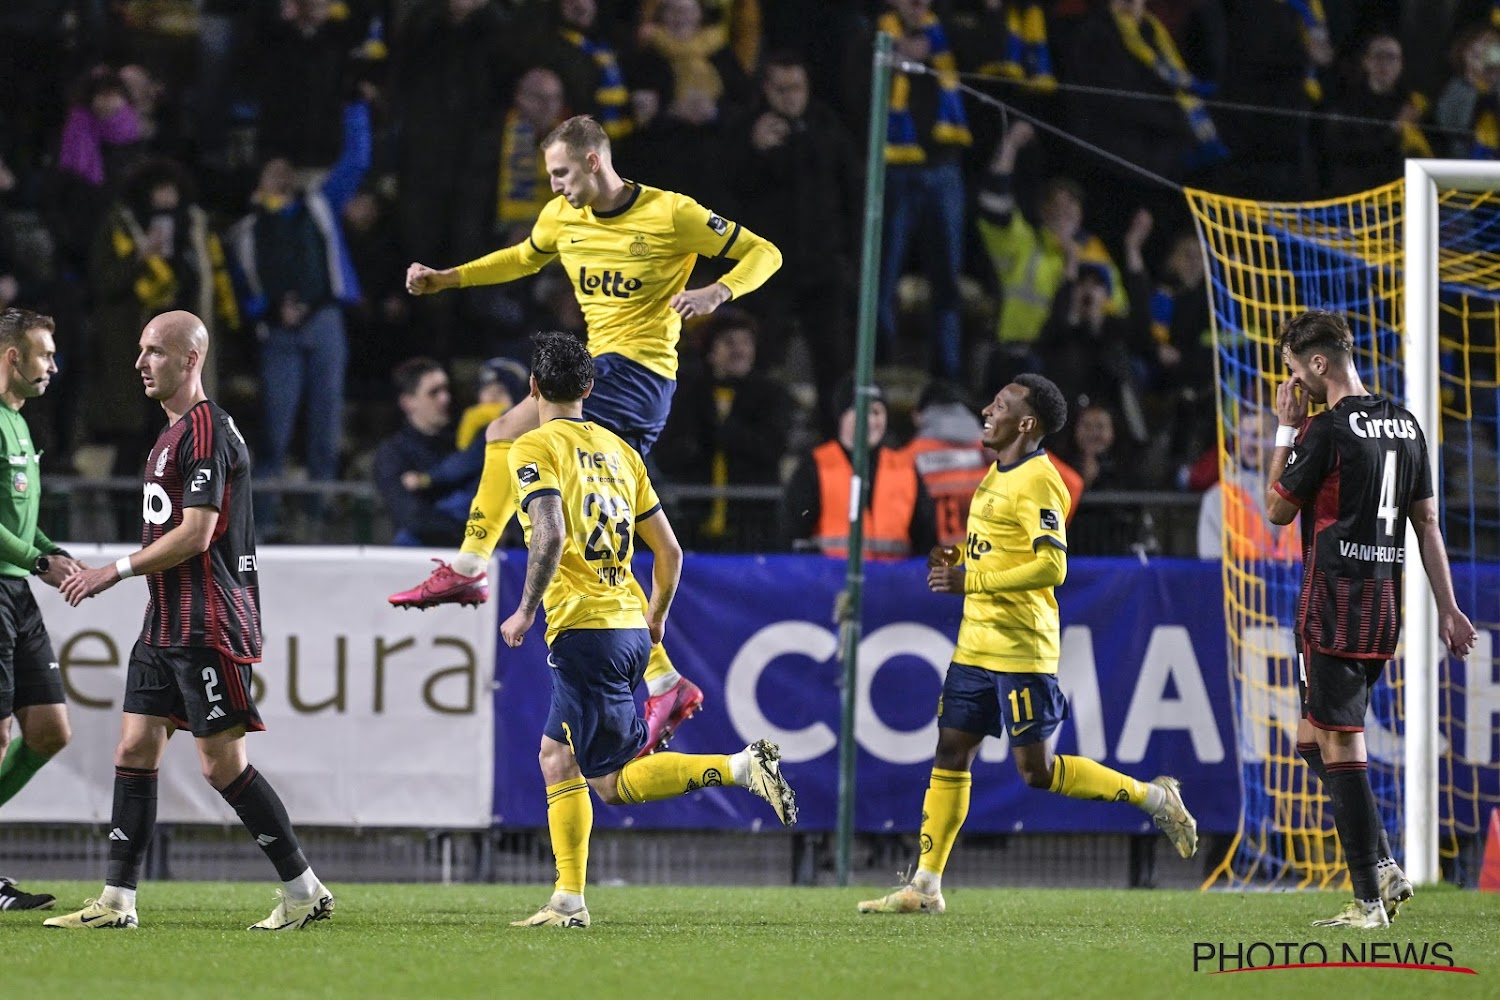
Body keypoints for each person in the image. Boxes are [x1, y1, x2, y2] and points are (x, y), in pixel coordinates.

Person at [390, 114, 783, 756]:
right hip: (599, 371)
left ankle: (653, 673)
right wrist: (446, 278)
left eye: (562, 174)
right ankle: (473, 567)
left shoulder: (671, 214)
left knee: (574, 505)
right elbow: (521, 258)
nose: (556, 187)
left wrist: (718, 290)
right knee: (506, 438)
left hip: (641, 376)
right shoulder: (561, 216)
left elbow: (766, 252)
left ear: (595, 162)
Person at [858, 374, 1198, 915]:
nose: (986, 410)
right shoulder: (997, 472)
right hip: (975, 644)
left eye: (1000, 405)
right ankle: (925, 887)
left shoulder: (1040, 480)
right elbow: (999, 553)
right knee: (951, 751)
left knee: (1036, 772)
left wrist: (972, 581)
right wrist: (959, 564)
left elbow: (1053, 564)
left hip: (1021, 648)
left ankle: (1155, 797)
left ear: (1027, 422)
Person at [47, 310, 333, 932]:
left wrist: (110, 571)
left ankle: (304, 889)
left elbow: (197, 534)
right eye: (141, 350)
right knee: (134, 746)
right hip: (165, 622)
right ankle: (118, 901)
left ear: (189, 360)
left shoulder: (207, 430)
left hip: (207, 621)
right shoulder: (171, 434)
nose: (140, 362)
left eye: (154, 351)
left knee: (220, 765)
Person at [499, 332, 796, 928]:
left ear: (533, 388)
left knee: (589, 772)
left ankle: (739, 770)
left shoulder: (532, 447)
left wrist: (526, 608)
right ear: (589, 388)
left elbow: (550, 532)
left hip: (586, 631)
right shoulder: (620, 451)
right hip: (628, 627)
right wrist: (656, 613)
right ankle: (569, 897)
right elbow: (671, 551)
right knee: (569, 763)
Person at [1265, 309, 1476, 928]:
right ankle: (1378, 861)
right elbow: (1428, 522)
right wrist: (1449, 607)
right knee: (1312, 740)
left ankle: (1371, 893)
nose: (1292, 386)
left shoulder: (1324, 429)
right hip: (1383, 606)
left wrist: (1284, 432)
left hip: (1331, 602)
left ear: (1318, 364)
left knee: (1338, 741)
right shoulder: (1407, 424)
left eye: (1293, 372)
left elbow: (1276, 510)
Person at [0, 308, 85, 912]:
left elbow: (18, 518)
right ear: (12, 357)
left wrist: (49, 550)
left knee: (50, 729)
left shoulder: (20, 423)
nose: (53, 365)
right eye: (45, 354)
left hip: (16, 594)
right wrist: (36, 560)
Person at [780, 379, 936, 559]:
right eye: (860, 411)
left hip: (892, 583)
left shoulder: (906, 468)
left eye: (876, 412)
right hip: (832, 583)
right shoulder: (814, 467)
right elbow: (792, 534)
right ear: (842, 416)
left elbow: (926, 537)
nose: (869, 420)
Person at [373, 357, 466, 548]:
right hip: (417, 561)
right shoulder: (392, 454)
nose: (445, 398)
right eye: (434, 393)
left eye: (445, 390)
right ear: (408, 403)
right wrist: (478, 532)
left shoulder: (463, 444)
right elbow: (411, 516)